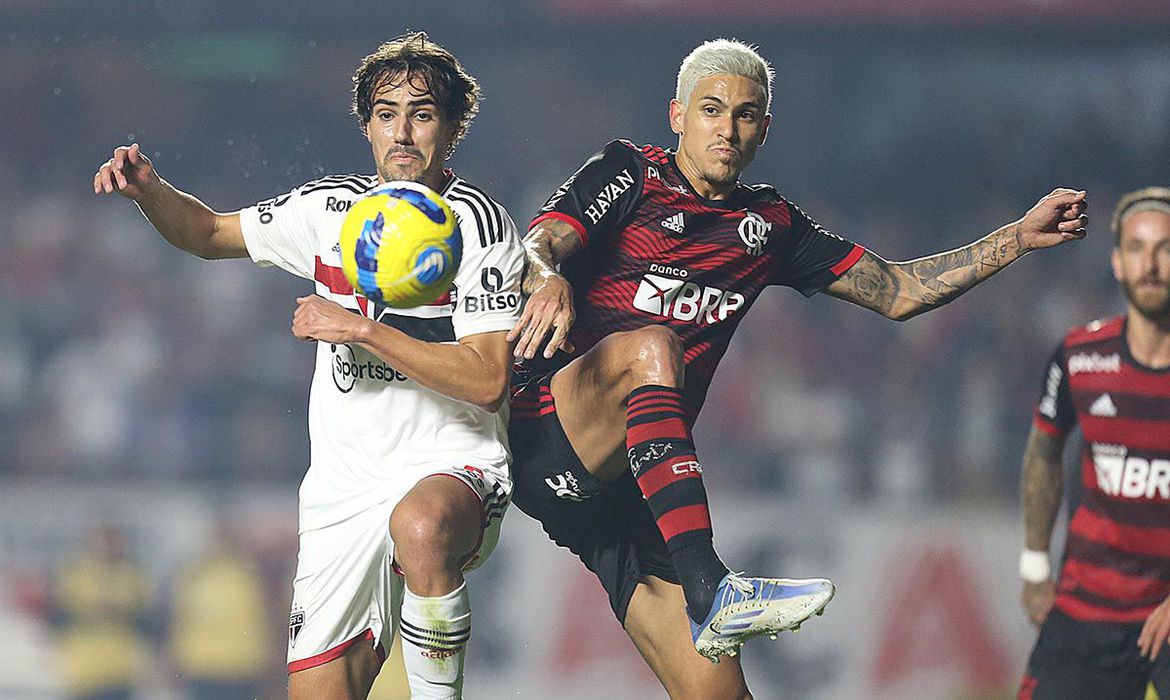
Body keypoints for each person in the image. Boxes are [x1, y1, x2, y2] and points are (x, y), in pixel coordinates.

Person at [506, 38, 1089, 699]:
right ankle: (712, 587)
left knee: (721, 695)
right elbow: (538, 241)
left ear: (764, 129)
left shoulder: (770, 225)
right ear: (677, 115)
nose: (727, 129)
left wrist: (1016, 236)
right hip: (549, 428)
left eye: (746, 115)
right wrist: (548, 274)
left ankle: (706, 590)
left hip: (628, 491)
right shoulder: (630, 174)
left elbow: (898, 290)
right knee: (652, 349)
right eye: (711, 110)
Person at [93, 32, 524, 700]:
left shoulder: (480, 226)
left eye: (423, 113)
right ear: (367, 125)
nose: (403, 132)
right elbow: (208, 234)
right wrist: (152, 193)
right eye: (387, 113)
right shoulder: (329, 209)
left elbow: (489, 379)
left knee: (423, 525)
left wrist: (359, 330)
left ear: (452, 127)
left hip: (453, 461)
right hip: (341, 495)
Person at [1017, 187, 1170, 700]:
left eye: (1165, 248)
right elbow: (1044, 452)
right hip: (1084, 615)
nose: (1150, 263)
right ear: (1117, 263)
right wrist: (1036, 566)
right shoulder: (1081, 356)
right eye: (1137, 248)